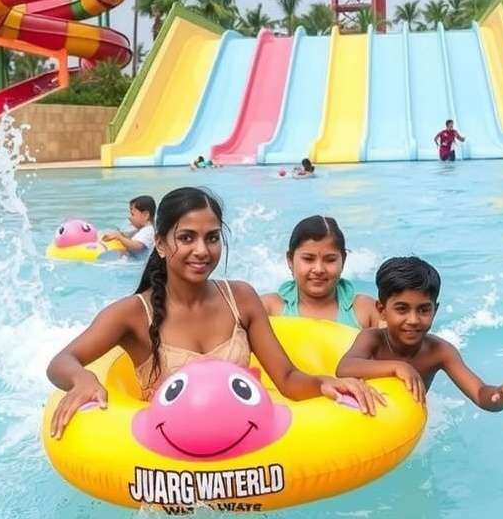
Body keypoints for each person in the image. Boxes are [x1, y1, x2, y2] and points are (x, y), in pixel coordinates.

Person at [47, 187, 383, 439]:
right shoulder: (132, 314)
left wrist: (328, 383)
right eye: (187, 238)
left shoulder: (241, 298)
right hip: (171, 460)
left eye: (212, 238)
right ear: (161, 244)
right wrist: (83, 379)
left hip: (246, 447)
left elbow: (287, 379)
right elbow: (62, 361)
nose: (202, 250)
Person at [337, 257, 503, 409]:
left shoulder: (439, 351)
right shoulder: (373, 338)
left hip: (406, 423)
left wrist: (500, 396)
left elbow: (480, 394)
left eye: (423, 310)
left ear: (435, 310)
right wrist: (397, 367)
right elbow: (345, 368)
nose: (413, 320)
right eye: (402, 309)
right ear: (381, 310)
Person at [261, 216, 382, 328]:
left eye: (330, 260)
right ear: (290, 260)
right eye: (308, 259)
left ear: (343, 260)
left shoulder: (366, 312)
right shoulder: (269, 309)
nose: (319, 269)